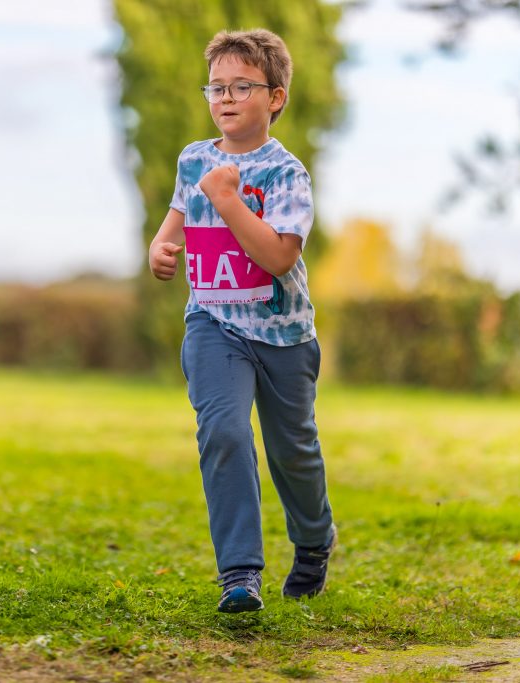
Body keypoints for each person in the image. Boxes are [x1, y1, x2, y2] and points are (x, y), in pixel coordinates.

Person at [148, 28, 336, 613]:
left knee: (293, 450)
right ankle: (239, 574)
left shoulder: (286, 174)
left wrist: (229, 201)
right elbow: (177, 219)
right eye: (217, 87)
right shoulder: (194, 159)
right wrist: (160, 248)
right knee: (224, 433)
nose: (226, 97)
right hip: (213, 324)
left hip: (282, 334)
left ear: (275, 98)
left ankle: (313, 541)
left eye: (242, 86)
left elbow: (279, 256)